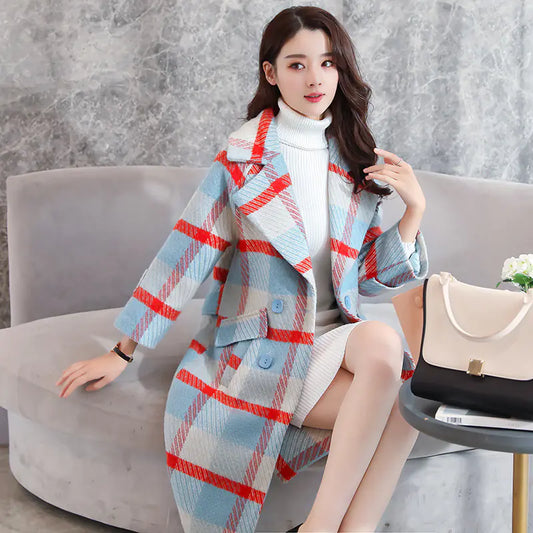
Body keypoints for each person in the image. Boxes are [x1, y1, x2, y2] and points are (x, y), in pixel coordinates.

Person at [56, 5, 428, 533]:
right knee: (403, 401)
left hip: (332, 340)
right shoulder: (241, 161)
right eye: (297, 64)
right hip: (264, 347)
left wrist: (413, 214)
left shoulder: (352, 159)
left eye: (327, 63)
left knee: (386, 347)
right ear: (271, 72)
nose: (315, 78)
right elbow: (184, 256)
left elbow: (364, 279)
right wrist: (122, 350)